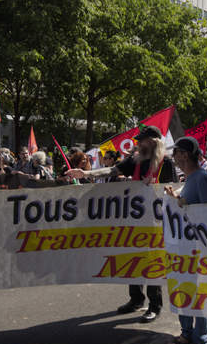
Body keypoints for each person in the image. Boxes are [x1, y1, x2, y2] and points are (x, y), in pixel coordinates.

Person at [65, 125, 175, 322]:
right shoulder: (136, 159)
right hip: (134, 220)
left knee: (151, 262)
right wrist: (87, 174)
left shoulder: (165, 163)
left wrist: (157, 188)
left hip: (156, 223)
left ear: (153, 141)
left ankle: (154, 305)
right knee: (132, 258)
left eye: (142, 140)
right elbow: (113, 169)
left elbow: (173, 191)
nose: (138, 143)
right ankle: (136, 299)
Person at [164, 136, 207, 344]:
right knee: (183, 289)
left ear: (184, 155)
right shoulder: (190, 178)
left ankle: (201, 342)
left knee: (198, 294)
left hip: (197, 249)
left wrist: (185, 203)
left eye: (176, 153)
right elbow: (187, 205)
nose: (174, 157)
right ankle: (186, 334)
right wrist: (175, 197)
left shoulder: (202, 178)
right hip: (183, 248)